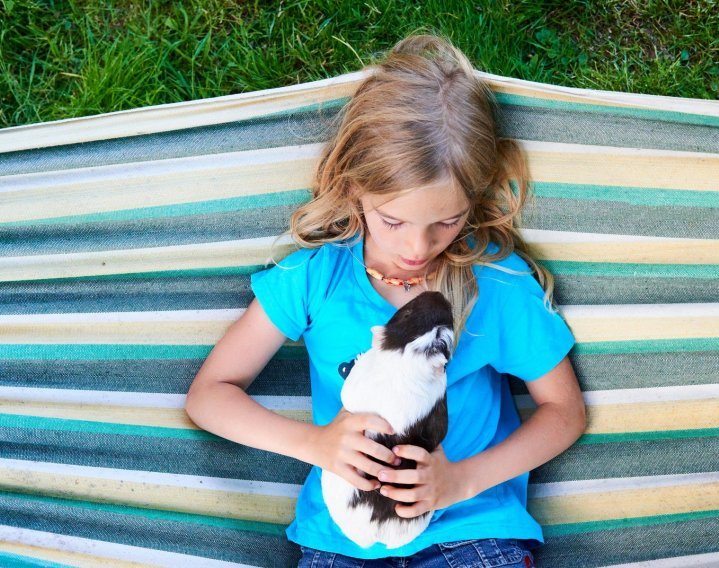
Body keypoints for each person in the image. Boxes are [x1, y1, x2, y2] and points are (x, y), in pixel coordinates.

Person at [185, 34, 586, 567]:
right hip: (341, 540)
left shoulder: (497, 284)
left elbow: (565, 412)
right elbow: (208, 395)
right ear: (354, 189)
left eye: (447, 220)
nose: (417, 247)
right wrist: (315, 444)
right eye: (393, 221)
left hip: (470, 530)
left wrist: (461, 480)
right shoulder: (315, 277)